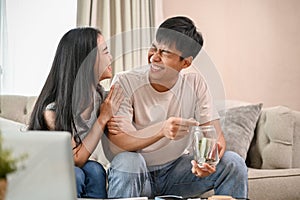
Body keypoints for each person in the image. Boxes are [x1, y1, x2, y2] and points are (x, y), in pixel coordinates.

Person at [105, 16, 248, 199]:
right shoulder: (126, 81)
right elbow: (120, 143)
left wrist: (207, 161)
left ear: (185, 63)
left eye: (164, 53)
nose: (154, 57)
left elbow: (215, 136)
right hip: (137, 173)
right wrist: (161, 130)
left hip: (176, 173)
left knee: (232, 162)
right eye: (153, 47)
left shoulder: (195, 84)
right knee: (128, 161)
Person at [28, 27, 123, 198]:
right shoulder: (53, 110)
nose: (111, 58)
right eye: (106, 52)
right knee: (76, 174)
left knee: (95, 170)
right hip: (45, 172)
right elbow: (76, 159)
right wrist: (103, 119)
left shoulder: (100, 97)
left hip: (77, 167)